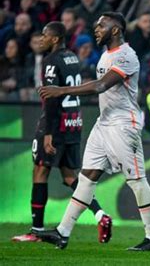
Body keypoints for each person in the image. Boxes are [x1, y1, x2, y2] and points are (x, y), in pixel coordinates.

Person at [37, 12, 150, 251]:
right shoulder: (106, 54)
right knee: (86, 177)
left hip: (124, 124)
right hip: (104, 123)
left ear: (115, 30)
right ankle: (63, 232)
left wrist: (61, 91)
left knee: (136, 179)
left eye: (101, 25)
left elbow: (101, 85)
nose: (96, 29)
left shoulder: (127, 55)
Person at [11, 22, 112, 243]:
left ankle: (36, 230)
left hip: (55, 124)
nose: (41, 39)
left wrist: (48, 133)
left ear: (55, 39)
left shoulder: (51, 61)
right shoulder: (73, 58)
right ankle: (100, 214)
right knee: (69, 176)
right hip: (73, 121)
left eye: (45, 36)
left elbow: (51, 96)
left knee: (40, 172)